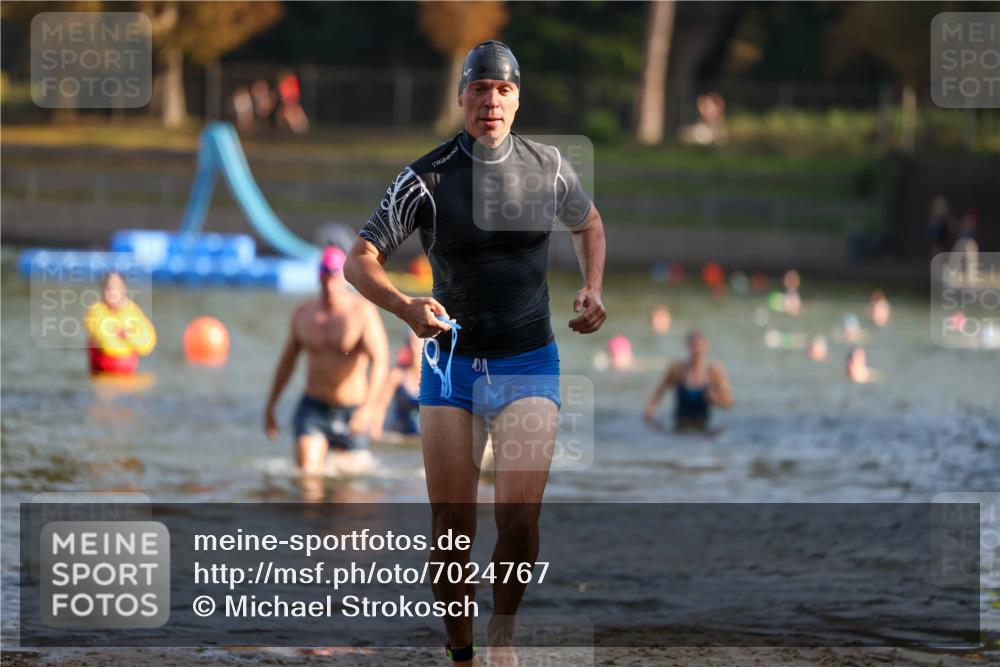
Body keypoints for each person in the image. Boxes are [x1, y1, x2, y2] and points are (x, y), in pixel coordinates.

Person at [344, 40, 606, 667]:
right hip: (449, 369)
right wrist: (405, 306)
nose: (492, 100)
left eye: (504, 89)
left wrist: (592, 286)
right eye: (480, 89)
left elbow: (589, 224)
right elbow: (359, 259)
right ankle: (460, 654)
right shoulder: (426, 178)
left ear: (518, 98)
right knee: (451, 535)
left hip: (527, 364)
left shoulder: (550, 167)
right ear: (462, 95)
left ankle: (503, 637)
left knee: (518, 519)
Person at [263, 247, 389, 478]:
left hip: (352, 411)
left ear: (343, 278)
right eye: (324, 279)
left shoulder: (362, 312)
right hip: (314, 408)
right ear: (318, 278)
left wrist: (368, 408)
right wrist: (271, 406)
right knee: (308, 477)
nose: (329, 286)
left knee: (349, 493)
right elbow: (287, 363)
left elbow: (380, 361)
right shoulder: (304, 314)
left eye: (333, 278)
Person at [643, 331, 732, 433]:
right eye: (693, 345)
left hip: (703, 427)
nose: (697, 349)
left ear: (706, 346)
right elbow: (658, 394)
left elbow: (728, 403)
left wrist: (714, 398)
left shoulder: (714, 371)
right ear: (687, 346)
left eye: (699, 345)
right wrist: (648, 415)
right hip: (680, 426)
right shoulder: (677, 370)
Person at [84, 271, 157, 375]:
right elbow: (108, 345)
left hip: (128, 377)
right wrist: (130, 338)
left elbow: (148, 343)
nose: (113, 292)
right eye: (110, 288)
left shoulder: (132, 310)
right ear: (103, 290)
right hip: (103, 376)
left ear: (124, 290)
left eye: (117, 288)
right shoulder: (96, 311)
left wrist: (126, 336)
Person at [370, 332, 423, 441]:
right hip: (400, 435)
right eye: (411, 343)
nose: (414, 347)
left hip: (422, 437)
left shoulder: (433, 376)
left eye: (417, 343)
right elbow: (381, 405)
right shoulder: (397, 375)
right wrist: (375, 433)